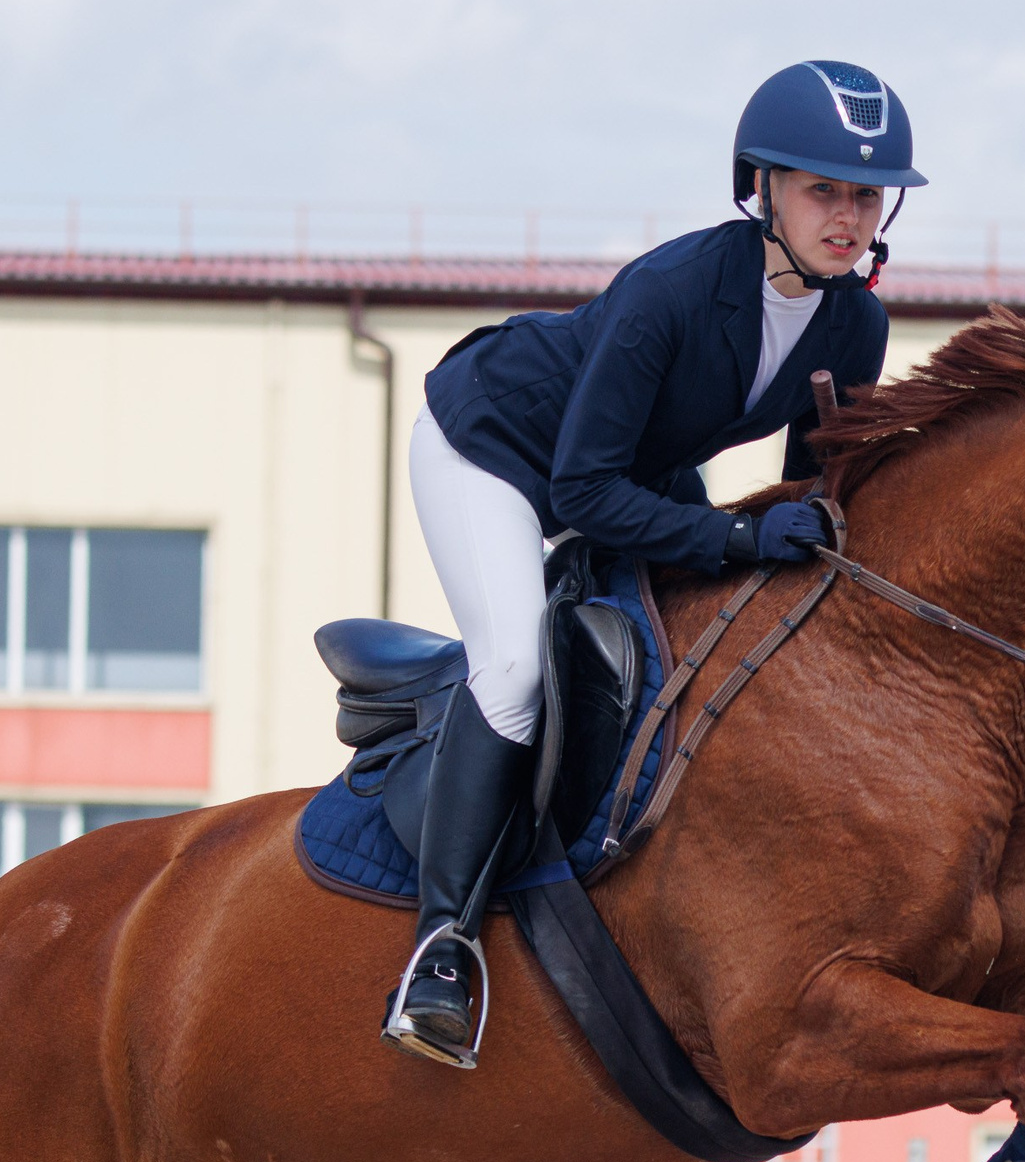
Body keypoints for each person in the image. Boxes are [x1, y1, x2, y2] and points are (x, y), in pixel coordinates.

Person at [387, 60, 927, 1067]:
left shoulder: (856, 320)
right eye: (823, 191)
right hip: (498, 447)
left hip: (633, 471)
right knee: (511, 669)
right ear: (760, 189)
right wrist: (729, 539)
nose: (847, 217)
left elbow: (811, 501)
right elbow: (584, 495)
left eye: (864, 195)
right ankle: (443, 948)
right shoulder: (672, 288)